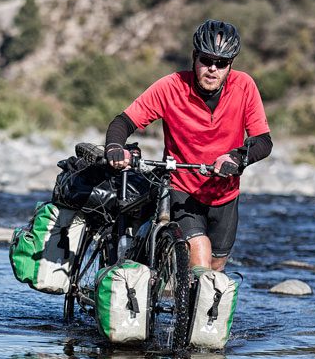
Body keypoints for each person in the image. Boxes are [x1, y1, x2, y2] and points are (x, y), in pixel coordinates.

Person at [105, 19, 272, 273]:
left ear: (230, 65)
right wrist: (115, 147)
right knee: (200, 255)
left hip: (225, 194)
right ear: (194, 57)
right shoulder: (171, 87)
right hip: (182, 189)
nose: (212, 69)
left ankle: (184, 304)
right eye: (206, 60)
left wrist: (236, 159)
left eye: (221, 63)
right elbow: (124, 121)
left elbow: (263, 141)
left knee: (215, 271)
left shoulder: (244, 86)